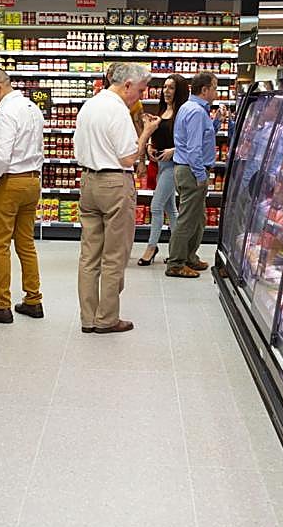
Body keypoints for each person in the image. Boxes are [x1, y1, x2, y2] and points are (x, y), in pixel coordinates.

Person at [75, 62, 159, 334]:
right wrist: (146, 134)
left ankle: (88, 318)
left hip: (88, 181)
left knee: (89, 256)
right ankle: (107, 319)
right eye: (141, 90)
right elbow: (127, 157)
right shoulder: (118, 110)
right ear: (127, 85)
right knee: (114, 255)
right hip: (114, 183)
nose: (141, 96)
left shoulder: (89, 105)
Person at [0, 67, 46, 324]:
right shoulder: (32, 108)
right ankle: (33, 299)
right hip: (32, 182)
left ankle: (2, 304)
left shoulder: (5, 113)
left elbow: (1, 156)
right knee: (26, 242)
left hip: (8, 184)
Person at [165, 72, 224, 278]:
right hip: (191, 171)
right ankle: (175, 263)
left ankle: (189, 256)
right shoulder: (197, 112)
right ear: (205, 89)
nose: (216, 93)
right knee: (188, 219)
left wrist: (216, 124)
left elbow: (202, 139)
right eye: (215, 88)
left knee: (198, 218)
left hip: (188, 169)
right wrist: (200, 175)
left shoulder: (192, 109)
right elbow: (193, 149)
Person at [138, 73, 188, 265]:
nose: (166, 91)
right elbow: (157, 137)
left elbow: (190, 142)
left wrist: (173, 150)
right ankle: (177, 250)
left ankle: (151, 247)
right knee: (170, 209)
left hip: (174, 166)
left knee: (155, 206)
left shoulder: (182, 113)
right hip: (160, 165)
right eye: (165, 87)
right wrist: (151, 146)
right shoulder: (162, 112)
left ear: (180, 91)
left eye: (171, 88)